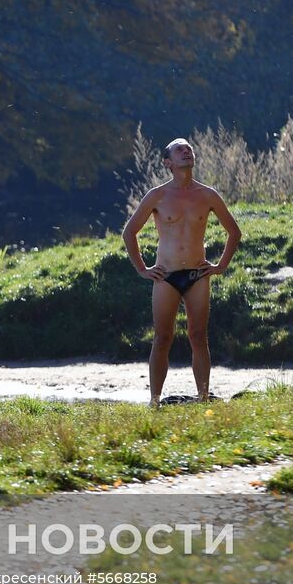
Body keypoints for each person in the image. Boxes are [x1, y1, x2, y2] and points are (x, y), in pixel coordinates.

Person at [122, 139, 242, 406]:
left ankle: (203, 399)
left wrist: (221, 265)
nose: (187, 151)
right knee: (162, 338)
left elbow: (234, 231)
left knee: (198, 336)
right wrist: (142, 269)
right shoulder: (157, 195)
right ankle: (154, 402)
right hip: (166, 276)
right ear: (168, 163)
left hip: (197, 275)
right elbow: (129, 232)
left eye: (189, 148)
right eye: (180, 149)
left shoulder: (208, 194)